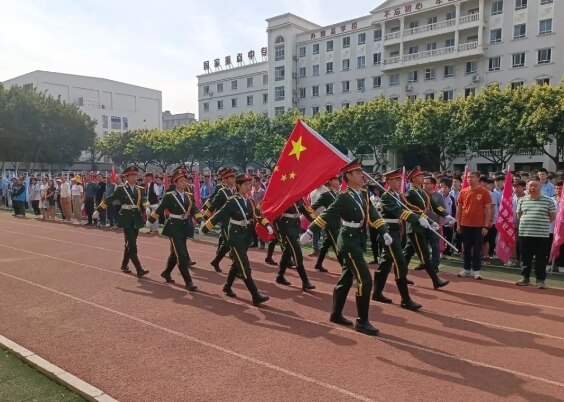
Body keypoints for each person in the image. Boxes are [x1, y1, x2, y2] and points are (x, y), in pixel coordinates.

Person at [302, 159, 392, 336]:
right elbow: (328, 214)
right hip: (348, 241)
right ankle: (362, 321)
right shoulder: (343, 197)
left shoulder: (363, 194)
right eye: (358, 173)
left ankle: (336, 314)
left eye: (361, 172)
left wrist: (384, 231)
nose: (362, 176)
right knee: (365, 280)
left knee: (346, 279)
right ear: (348, 176)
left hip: (358, 239)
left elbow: (372, 214)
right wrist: (311, 231)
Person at [202, 174, 272, 305]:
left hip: (246, 236)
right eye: (245, 185)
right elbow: (220, 213)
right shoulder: (232, 201)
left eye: (249, 185)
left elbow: (257, 215)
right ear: (238, 186)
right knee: (244, 265)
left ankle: (227, 286)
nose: (248, 187)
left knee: (236, 264)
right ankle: (255, 295)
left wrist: (267, 225)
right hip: (235, 236)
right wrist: (206, 226)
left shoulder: (250, 201)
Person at [372, 168, 423, 311]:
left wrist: (425, 218)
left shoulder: (398, 195)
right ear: (388, 182)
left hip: (395, 231)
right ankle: (405, 299)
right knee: (400, 262)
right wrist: (417, 219)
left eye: (399, 179)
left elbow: (409, 207)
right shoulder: (387, 197)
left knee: (385, 263)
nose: (399, 181)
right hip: (388, 232)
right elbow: (399, 212)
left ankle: (376, 293)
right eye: (395, 179)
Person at [148, 169, 203, 291]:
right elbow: (160, 209)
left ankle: (167, 272)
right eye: (182, 181)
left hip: (185, 227)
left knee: (175, 253)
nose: (185, 183)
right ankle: (188, 282)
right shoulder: (169, 196)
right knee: (182, 255)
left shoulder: (189, 196)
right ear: (175, 183)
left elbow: (194, 209)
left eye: (185, 181)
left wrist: (201, 221)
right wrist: (150, 220)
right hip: (174, 228)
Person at [93, 166, 150, 278]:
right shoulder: (121, 189)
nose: (134, 178)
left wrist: (147, 207)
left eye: (135, 175)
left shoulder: (140, 189)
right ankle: (139, 269)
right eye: (132, 176)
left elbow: (144, 199)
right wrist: (99, 210)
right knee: (132, 245)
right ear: (126, 177)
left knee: (129, 243)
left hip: (136, 218)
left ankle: (124, 265)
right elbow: (110, 199)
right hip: (126, 218)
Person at [402, 167, 452, 288]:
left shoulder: (422, 192)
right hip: (415, 227)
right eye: (420, 177)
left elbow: (433, 205)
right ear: (413, 179)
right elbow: (417, 211)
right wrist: (430, 220)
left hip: (422, 226)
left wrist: (445, 215)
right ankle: (435, 280)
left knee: (407, 253)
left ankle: (401, 276)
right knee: (424, 254)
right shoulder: (411, 193)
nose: (423, 179)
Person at [516, 177, 556, 289]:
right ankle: (525, 278)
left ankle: (540, 280)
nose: (532, 187)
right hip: (524, 234)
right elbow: (519, 215)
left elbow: (552, 217)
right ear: (527, 187)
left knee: (541, 259)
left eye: (535, 185)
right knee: (525, 258)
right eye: (530, 185)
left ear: (540, 187)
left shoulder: (548, 201)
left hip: (541, 235)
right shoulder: (522, 200)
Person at [273, 199, 316, 291]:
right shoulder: (283, 196)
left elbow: (306, 210)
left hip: (295, 227)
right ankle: (305, 281)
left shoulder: (298, 197)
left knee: (287, 253)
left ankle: (280, 276)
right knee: (297, 253)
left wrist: (316, 222)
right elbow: (275, 213)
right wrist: (277, 231)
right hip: (286, 228)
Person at [456, 171, 492, 279]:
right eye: (468, 177)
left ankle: (476, 270)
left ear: (478, 179)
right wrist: (458, 224)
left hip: (478, 225)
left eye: (472, 177)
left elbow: (488, 209)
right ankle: (466, 269)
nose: (469, 179)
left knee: (477, 248)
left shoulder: (484, 192)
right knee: (466, 248)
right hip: (465, 224)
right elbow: (459, 209)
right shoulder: (463, 191)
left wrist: (485, 226)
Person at [204, 168, 237, 273]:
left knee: (228, 243)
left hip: (234, 221)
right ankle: (237, 267)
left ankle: (216, 261)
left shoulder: (236, 190)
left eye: (233, 177)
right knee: (232, 243)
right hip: (225, 221)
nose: (233, 179)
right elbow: (213, 204)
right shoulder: (222, 191)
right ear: (225, 179)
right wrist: (203, 217)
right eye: (231, 178)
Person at [310, 175, 342, 272]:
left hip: (337, 223)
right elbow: (313, 207)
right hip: (330, 224)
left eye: (338, 180)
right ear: (329, 181)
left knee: (325, 245)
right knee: (337, 246)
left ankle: (318, 264)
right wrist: (313, 219)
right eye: (335, 180)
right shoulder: (326, 194)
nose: (337, 182)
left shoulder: (337, 194)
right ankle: (346, 268)